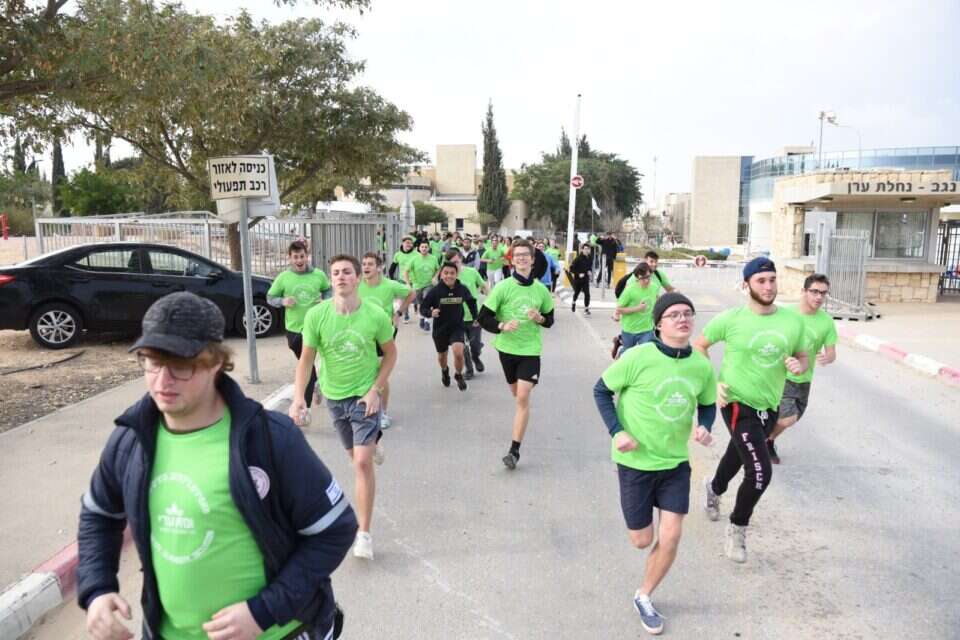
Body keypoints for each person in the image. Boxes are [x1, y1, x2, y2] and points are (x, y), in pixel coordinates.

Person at [78, 292, 356, 640]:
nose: (162, 381)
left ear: (215, 362)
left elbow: (335, 529)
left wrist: (263, 611)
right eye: (152, 362)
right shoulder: (131, 440)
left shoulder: (269, 439)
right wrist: (98, 588)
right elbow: (99, 515)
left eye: (180, 366)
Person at [593, 293, 716, 636]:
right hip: (635, 462)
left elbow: (708, 403)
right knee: (641, 540)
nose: (683, 319)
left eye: (688, 313)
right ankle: (644, 561)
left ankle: (644, 595)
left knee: (672, 535)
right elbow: (601, 391)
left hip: (675, 463)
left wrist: (705, 426)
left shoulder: (701, 365)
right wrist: (617, 432)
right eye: (674, 314)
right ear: (659, 324)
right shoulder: (638, 356)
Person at [694, 257, 807, 563]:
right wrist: (712, 382)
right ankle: (737, 527)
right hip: (735, 402)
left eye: (772, 279)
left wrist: (799, 364)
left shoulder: (792, 321)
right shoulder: (730, 319)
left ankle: (714, 487)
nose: (768, 286)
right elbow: (699, 346)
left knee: (739, 453)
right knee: (759, 471)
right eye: (761, 281)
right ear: (747, 285)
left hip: (768, 405)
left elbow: (802, 355)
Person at [291, 254, 397, 561]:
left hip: (365, 395)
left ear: (357, 278)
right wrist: (299, 397)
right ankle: (374, 441)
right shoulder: (317, 315)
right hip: (335, 396)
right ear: (331, 278)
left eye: (347, 272)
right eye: (336, 272)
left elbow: (390, 354)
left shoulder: (374, 314)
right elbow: (306, 359)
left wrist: (376, 390)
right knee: (355, 457)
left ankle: (363, 534)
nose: (341, 276)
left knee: (361, 463)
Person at [477, 239, 555, 470]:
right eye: (517, 255)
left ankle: (514, 451)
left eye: (525, 255)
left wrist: (540, 318)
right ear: (512, 260)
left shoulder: (541, 290)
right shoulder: (502, 287)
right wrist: (501, 326)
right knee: (517, 395)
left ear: (532, 260)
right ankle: (521, 413)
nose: (521, 258)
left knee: (522, 396)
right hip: (507, 349)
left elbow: (550, 320)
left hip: (530, 350)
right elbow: (483, 317)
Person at [766, 273, 838, 464]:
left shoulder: (826, 321)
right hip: (782, 377)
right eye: (814, 292)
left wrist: (827, 358)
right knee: (787, 418)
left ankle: (767, 439)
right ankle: (764, 441)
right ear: (803, 291)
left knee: (794, 416)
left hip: (805, 379)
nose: (819, 297)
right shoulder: (785, 315)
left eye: (823, 293)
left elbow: (832, 353)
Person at [266, 240, 330, 424]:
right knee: (305, 363)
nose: (299, 260)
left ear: (306, 256)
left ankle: (305, 409)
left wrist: (325, 300)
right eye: (295, 257)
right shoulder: (284, 277)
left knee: (306, 365)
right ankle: (316, 384)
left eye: (302, 256)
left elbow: (328, 290)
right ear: (290, 258)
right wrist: (282, 301)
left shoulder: (318, 275)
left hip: (315, 327)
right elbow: (270, 297)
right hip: (293, 328)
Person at [358, 252, 415, 430]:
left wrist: (399, 313)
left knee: (380, 372)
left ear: (379, 267)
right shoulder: (357, 284)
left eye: (370, 264)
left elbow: (411, 294)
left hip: (384, 333)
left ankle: (382, 412)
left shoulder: (389, 285)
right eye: (364, 264)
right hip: (362, 334)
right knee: (363, 369)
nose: (366, 267)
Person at [420, 261, 479, 391]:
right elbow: (423, 308)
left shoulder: (462, 289)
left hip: (457, 327)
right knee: (442, 356)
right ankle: (444, 370)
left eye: (452, 273)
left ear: (456, 274)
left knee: (458, 353)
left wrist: (476, 317)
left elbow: (471, 302)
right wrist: (430, 313)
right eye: (446, 273)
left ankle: (458, 375)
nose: (449, 276)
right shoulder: (435, 291)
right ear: (441, 274)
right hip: (440, 329)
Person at [446, 249, 488, 379]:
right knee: (462, 346)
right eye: (451, 263)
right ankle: (469, 370)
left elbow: (484, 286)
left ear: (461, 259)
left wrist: (490, 302)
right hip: (456, 318)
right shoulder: (447, 276)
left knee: (475, 346)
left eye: (456, 262)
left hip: (474, 316)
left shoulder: (472, 272)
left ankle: (476, 357)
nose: (454, 265)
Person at [616, 263, 660, 353]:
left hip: (647, 329)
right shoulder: (629, 290)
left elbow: (657, 301)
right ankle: (621, 351)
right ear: (637, 278)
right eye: (643, 278)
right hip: (630, 329)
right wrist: (637, 308)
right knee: (628, 353)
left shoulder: (654, 287)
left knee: (645, 353)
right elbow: (619, 309)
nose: (646, 280)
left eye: (648, 277)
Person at [406, 240, 441, 332]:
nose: (424, 248)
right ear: (419, 248)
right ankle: (422, 317)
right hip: (417, 285)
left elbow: (438, 269)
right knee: (420, 303)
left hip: (429, 284)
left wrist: (435, 277)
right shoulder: (414, 259)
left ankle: (427, 321)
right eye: (422, 247)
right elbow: (406, 271)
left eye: (426, 247)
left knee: (427, 299)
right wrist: (408, 284)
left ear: (428, 248)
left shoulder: (433, 258)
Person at [388, 236, 418, 323]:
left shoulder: (416, 254)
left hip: (414, 280)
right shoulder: (398, 255)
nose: (409, 244)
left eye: (410, 243)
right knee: (403, 298)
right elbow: (392, 268)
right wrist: (392, 279)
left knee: (415, 298)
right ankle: (406, 314)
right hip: (402, 280)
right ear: (403, 243)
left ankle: (416, 305)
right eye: (407, 243)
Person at [566, 243, 593, 315]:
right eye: (585, 249)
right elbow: (571, 269)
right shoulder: (578, 258)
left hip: (586, 279)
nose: (587, 250)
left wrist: (589, 271)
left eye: (588, 249)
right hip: (578, 280)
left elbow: (589, 267)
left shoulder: (590, 258)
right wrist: (578, 274)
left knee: (587, 294)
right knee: (576, 293)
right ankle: (573, 302)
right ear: (582, 250)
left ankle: (586, 309)